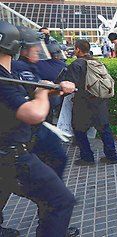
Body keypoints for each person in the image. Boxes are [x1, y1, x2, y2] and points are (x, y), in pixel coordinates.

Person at [0, 20, 78, 236]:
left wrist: (51, 90)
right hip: (12, 155)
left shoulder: (8, 73)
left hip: (10, 152)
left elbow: (20, 95)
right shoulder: (4, 77)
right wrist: (43, 93)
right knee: (61, 200)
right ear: (15, 46)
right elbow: (33, 112)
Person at [64, 39, 117, 166]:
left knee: (79, 130)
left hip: (83, 103)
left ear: (78, 49)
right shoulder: (97, 62)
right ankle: (112, 156)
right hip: (100, 101)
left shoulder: (76, 64)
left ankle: (87, 157)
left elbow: (70, 85)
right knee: (104, 129)